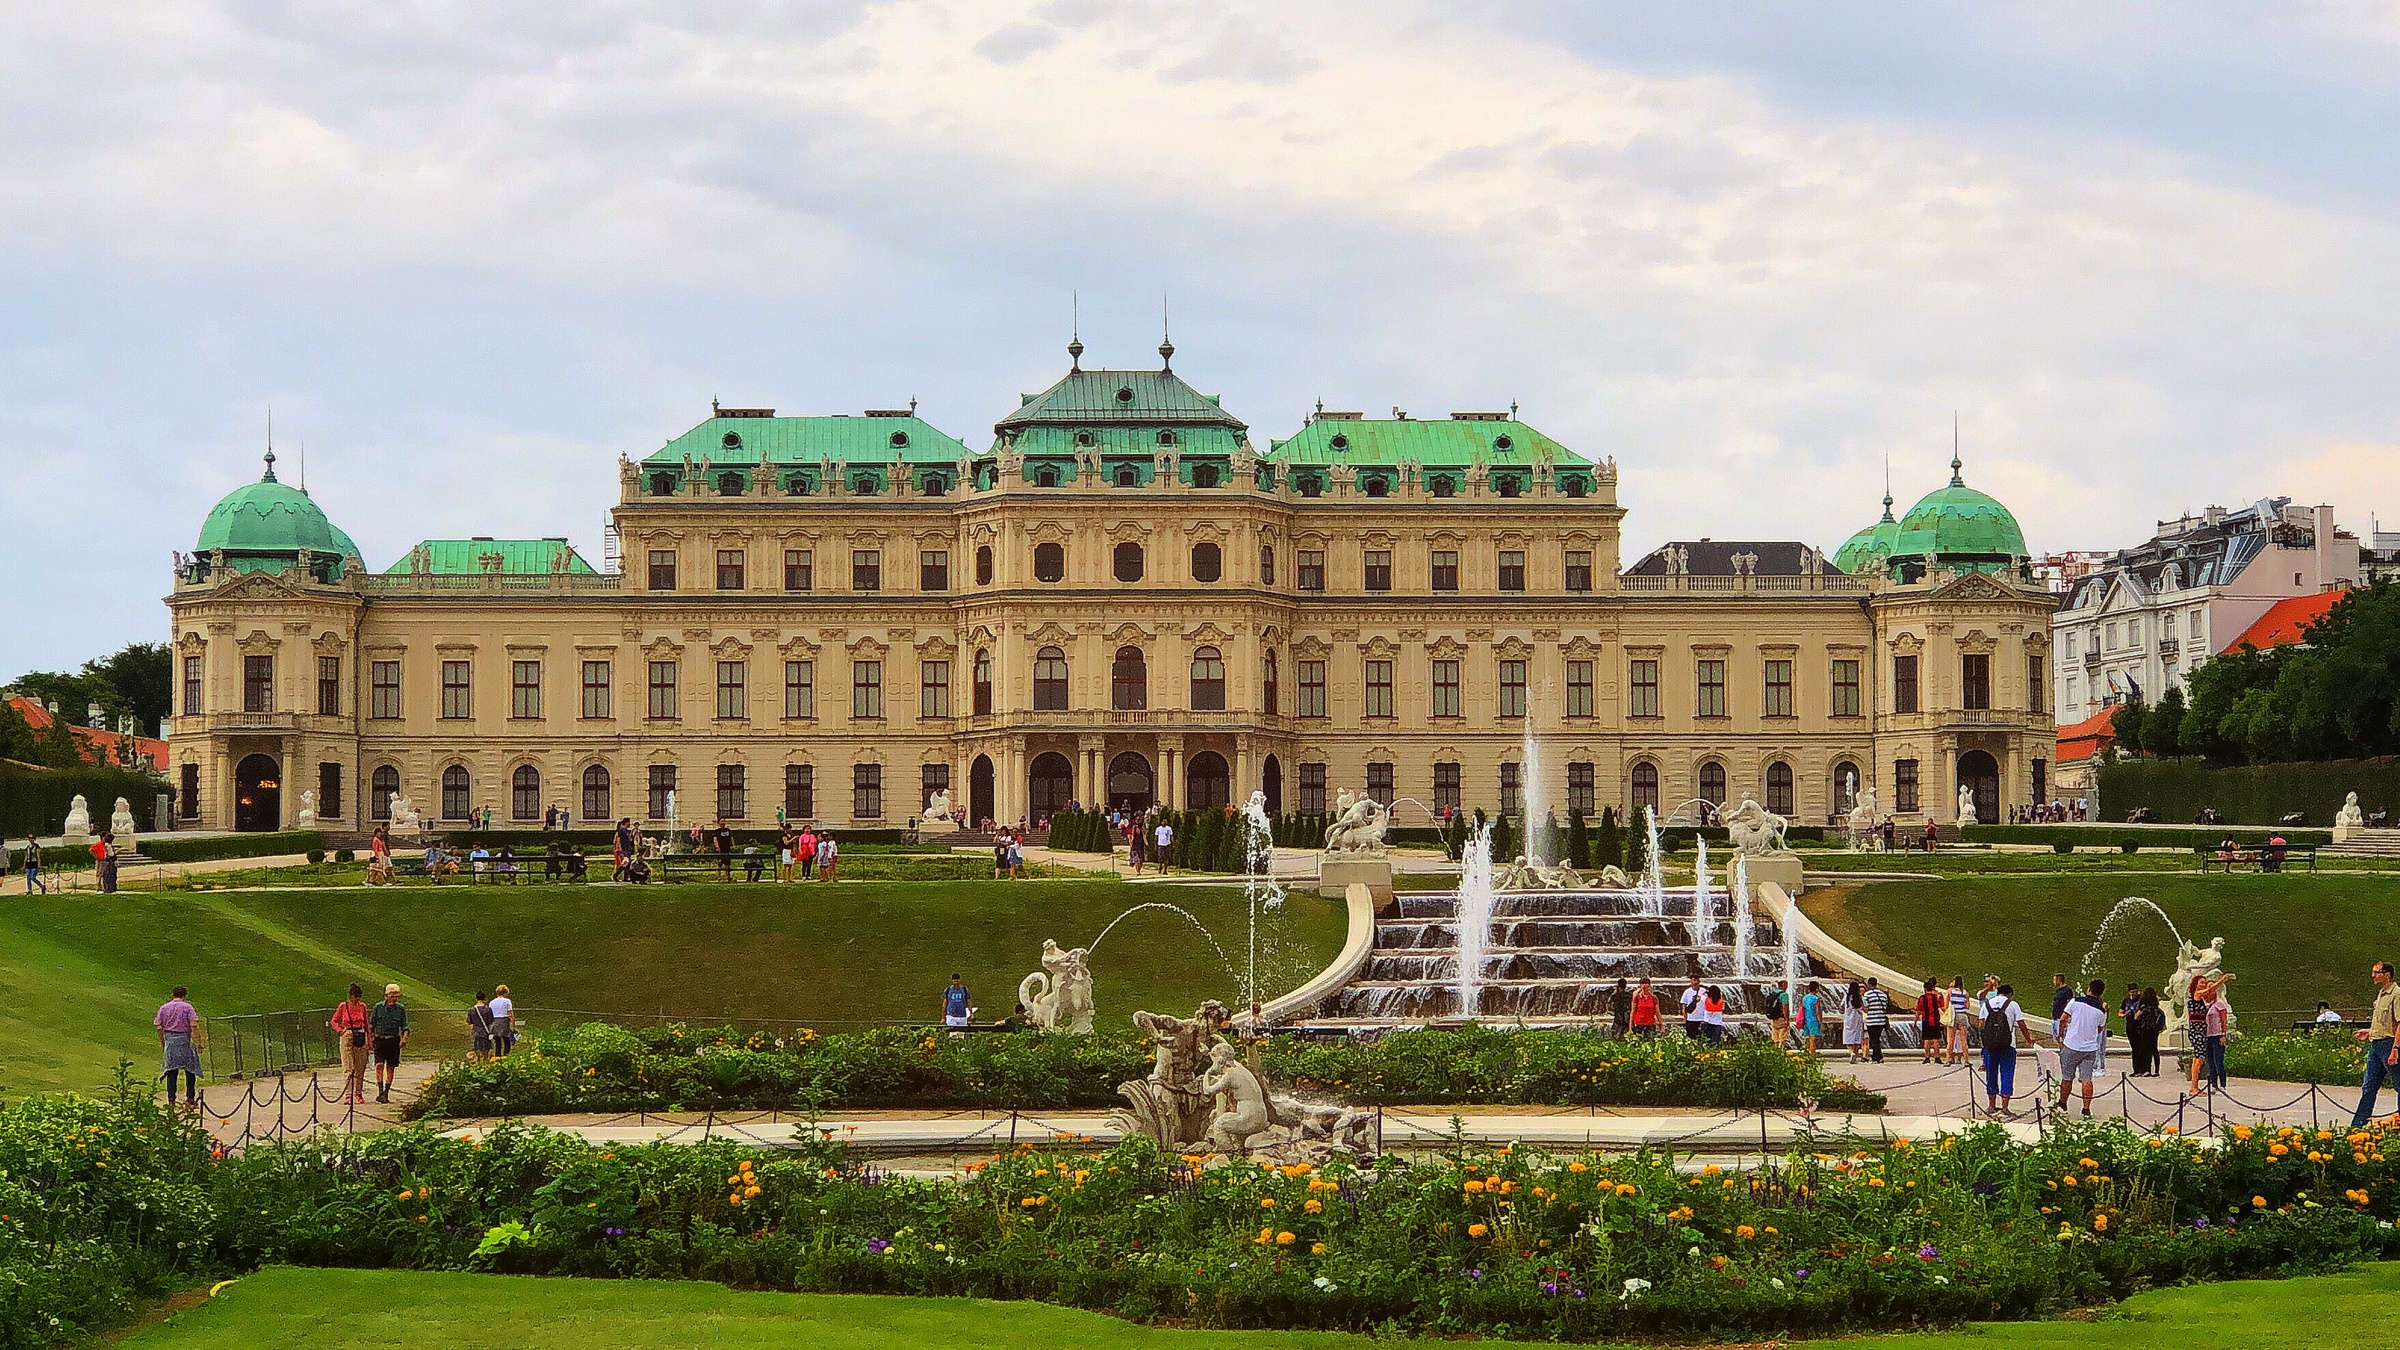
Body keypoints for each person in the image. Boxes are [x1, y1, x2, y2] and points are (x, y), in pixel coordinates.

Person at [2351, 960, 2399, 1128]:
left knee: (2399, 1084)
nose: (2373, 975)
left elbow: (2399, 1023)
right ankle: (2357, 1125)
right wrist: (2369, 1032)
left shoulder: (2396, 994)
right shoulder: (2381, 993)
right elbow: (2382, 1022)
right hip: (2376, 1045)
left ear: (2386, 974)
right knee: (2369, 1086)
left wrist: (2395, 1049)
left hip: (2389, 1045)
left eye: (2376, 972)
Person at [2057, 979, 2109, 1117]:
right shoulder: (2101, 1011)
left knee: (2067, 1077)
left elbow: (2063, 1019)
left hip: (2072, 1044)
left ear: (2089, 989)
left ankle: (2063, 1103)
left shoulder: (2075, 1001)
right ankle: (2086, 1108)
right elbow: (2099, 1029)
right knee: (2087, 1079)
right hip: (2089, 1048)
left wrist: (2060, 1036)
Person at [1980, 982, 2027, 1115]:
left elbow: (1980, 1024)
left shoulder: (1987, 1004)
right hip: (2008, 1044)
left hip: (1990, 1046)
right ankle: (2005, 1107)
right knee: (2007, 1074)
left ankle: (1991, 1105)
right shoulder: (2012, 1005)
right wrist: (2028, 1039)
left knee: (1991, 1074)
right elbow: (2021, 1024)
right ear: (2010, 994)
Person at [155, 986, 201, 1108]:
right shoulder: (188, 1007)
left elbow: (159, 1027)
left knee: (171, 1072)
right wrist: (198, 1042)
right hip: (185, 1040)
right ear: (184, 996)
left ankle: (171, 1100)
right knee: (190, 1070)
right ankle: (190, 1098)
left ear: (173, 995)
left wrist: (163, 1042)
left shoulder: (164, 1008)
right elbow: (193, 1025)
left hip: (170, 1040)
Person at [329, 984, 371, 1102]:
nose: (357, 999)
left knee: (360, 1066)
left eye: (359, 997)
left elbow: (366, 1024)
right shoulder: (343, 1006)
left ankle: (358, 1092)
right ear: (350, 996)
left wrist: (369, 1041)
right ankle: (348, 1094)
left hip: (360, 1035)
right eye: (355, 997)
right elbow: (334, 1020)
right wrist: (340, 1030)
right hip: (347, 1035)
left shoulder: (362, 1006)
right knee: (349, 1067)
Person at [368, 983, 409, 1104]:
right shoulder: (378, 1007)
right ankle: (380, 1091)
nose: (394, 998)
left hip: (393, 1040)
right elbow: (371, 1025)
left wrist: (404, 1037)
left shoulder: (400, 1009)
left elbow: (405, 1026)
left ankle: (386, 1092)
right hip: (380, 1039)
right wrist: (370, 1040)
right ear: (386, 995)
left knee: (391, 1067)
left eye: (397, 996)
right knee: (379, 1065)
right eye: (392, 995)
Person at [2129, 987, 2164, 1077]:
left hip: (2144, 1029)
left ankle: (2146, 1069)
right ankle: (2156, 1070)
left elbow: (2136, 1017)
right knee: (2154, 1049)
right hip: (2154, 1030)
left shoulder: (2144, 1007)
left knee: (2145, 1050)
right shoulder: (2156, 1008)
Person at [1860, 977, 1891, 1064]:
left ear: (1869, 985)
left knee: (1873, 1039)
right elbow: (1885, 1007)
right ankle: (1877, 1056)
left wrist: (1861, 1007)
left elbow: (1866, 1009)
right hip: (1881, 1021)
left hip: (1871, 1020)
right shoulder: (1883, 995)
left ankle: (1877, 1057)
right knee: (1876, 1038)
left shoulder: (1867, 995)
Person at [1914, 978, 1944, 1065]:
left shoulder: (1922, 998)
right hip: (1935, 1020)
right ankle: (1937, 1057)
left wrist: (1915, 1021)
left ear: (1925, 989)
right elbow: (1942, 1007)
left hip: (1926, 1020)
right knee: (1935, 1040)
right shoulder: (1937, 997)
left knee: (1926, 1039)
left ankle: (1927, 1057)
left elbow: (1918, 1011)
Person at [1946, 977, 1971, 1065]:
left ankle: (1948, 1059)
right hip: (1963, 1015)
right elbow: (1967, 1006)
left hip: (1953, 1016)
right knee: (1963, 1040)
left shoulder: (1950, 991)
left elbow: (1946, 1005)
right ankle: (1966, 1060)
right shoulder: (1965, 992)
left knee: (1951, 1039)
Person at [466, 991, 496, 1061]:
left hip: (476, 1031)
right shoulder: (488, 1009)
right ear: (484, 999)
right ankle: (485, 1061)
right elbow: (491, 1021)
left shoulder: (472, 1010)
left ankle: (478, 1061)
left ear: (476, 999)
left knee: (477, 1048)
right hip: (485, 1032)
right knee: (486, 1049)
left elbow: (469, 1022)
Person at [1841, 981, 1865, 1061]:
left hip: (1848, 1019)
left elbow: (1841, 1007)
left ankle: (1851, 1052)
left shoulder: (1846, 997)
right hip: (1858, 1019)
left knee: (1848, 1036)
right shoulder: (1859, 998)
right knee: (1857, 1037)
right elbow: (1863, 1007)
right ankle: (1856, 1053)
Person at [490, 984, 516, 1056]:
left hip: (495, 1021)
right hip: (504, 1020)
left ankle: (497, 1055)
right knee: (506, 1039)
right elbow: (510, 1013)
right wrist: (513, 1022)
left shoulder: (492, 1002)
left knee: (497, 1041)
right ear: (505, 992)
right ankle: (506, 1055)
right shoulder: (507, 1001)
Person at [1799, 981, 1823, 1054]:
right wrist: (1820, 1022)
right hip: (1814, 1020)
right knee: (1813, 1038)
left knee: (1807, 1037)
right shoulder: (1816, 999)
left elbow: (1803, 1008)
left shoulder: (1805, 998)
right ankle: (1812, 1053)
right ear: (1816, 988)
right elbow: (1817, 1011)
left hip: (1806, 1019)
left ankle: (1807, 1052)